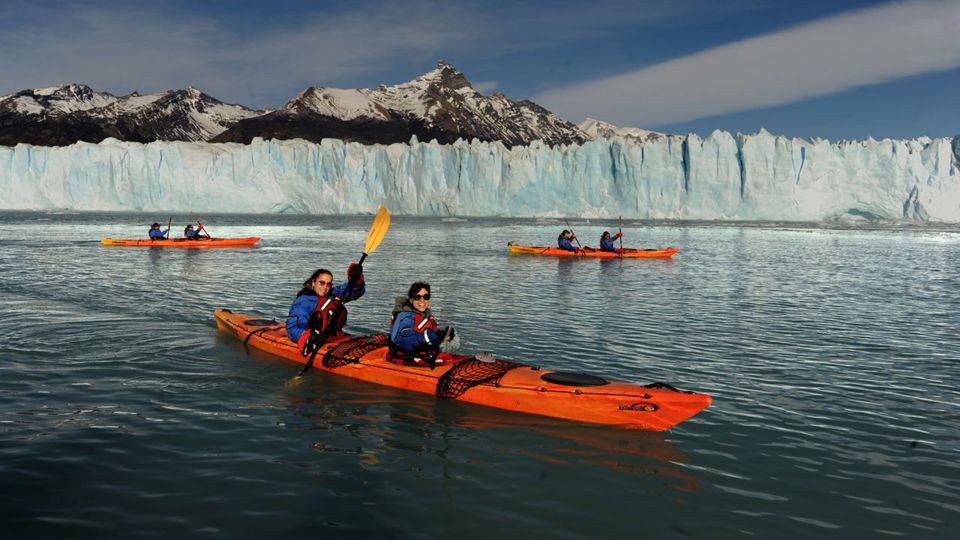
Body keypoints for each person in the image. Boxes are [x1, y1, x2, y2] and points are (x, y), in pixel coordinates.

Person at [286, 263, 366, 356]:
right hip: (317, 340)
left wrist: (355, 279)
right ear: (313, 282)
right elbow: (292, 328)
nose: (325, 287)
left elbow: (352, 292)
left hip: (336, 337)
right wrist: (308, 337)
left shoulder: (333, 294)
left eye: (328, 284)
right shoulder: (304, 301)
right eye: (322, 283)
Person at [388, 282, 459, 366]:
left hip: (426, 356)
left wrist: (442, 335)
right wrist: (429, 337)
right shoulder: (405, 317)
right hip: (406, 360)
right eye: (417, 297)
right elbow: (405, 341)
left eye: (426, 297)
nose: (422, 300)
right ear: (411, 300)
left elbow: (427, 334)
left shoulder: (426, 315)